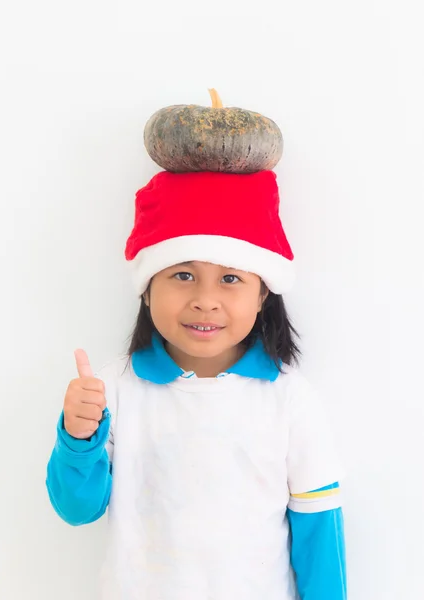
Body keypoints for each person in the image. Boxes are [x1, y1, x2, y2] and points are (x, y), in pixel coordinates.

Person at [46, 169, 347, 600]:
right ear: (147, 289)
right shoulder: (114, 388)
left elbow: (319, 528)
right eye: (183, 275)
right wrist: (78, 439)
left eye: (230, 278)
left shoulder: (289, 398)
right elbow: (77, 509)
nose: (205, 300)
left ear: (263, 296)